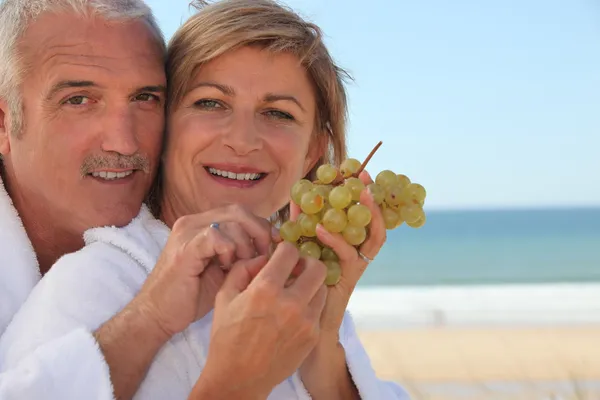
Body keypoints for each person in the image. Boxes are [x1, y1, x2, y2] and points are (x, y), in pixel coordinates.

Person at [1, 0, 411, 399]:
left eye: (278, 113)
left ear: (313, 152)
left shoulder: (295, 281)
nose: (242, 140)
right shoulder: (92, 283)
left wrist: (324, 350)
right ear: (168, 129)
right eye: (210, 103)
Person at [0, 1, 251, 399]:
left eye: (145, 98)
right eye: (79, 100)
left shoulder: (190, 249)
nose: (124, 142)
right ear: (4, 122)